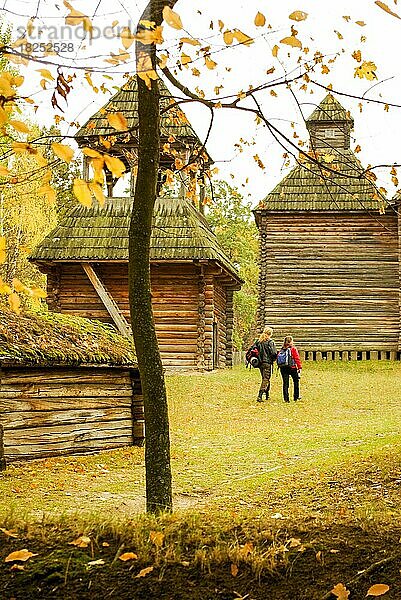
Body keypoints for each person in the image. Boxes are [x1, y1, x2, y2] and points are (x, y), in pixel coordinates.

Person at [255, 326, 277, 402]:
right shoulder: (270, 342)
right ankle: (260, 395)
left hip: (260, 363)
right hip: (267, 362)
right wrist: (274, 359)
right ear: (270, 334)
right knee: (266, 379)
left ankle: (267, 395)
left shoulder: (258, 341)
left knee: (266, 378)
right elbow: (274, 353)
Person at [277, 335, 302, 402]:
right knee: (296, 381)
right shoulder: (293, 349)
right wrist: (299, 367)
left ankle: (286, 398)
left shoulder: (282, 349)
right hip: (292, 367)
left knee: (285, 383)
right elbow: (297, 358)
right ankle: (296, 397)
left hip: (283, 368)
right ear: (291, 342)